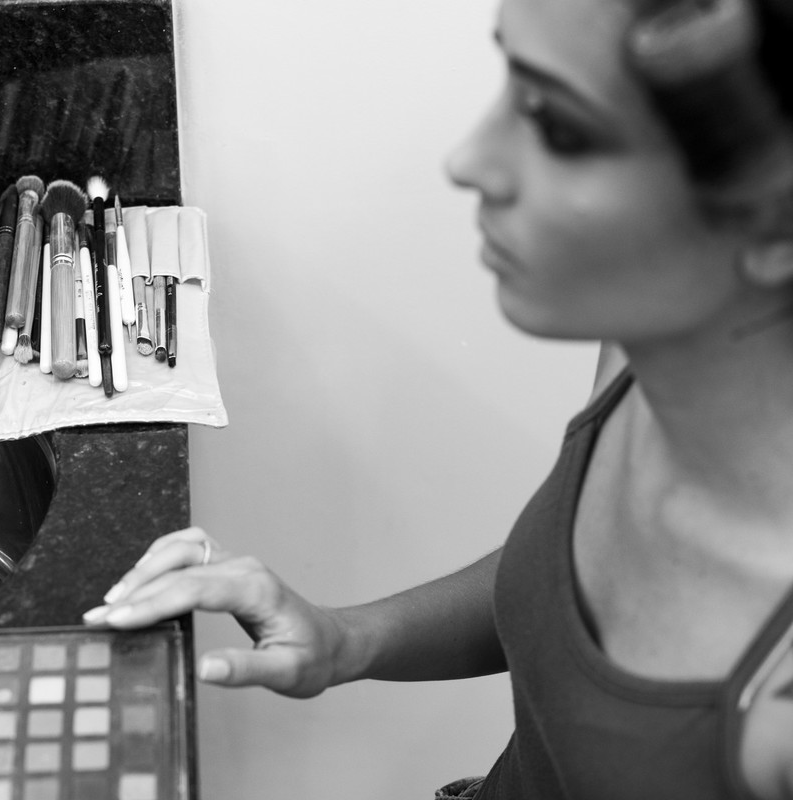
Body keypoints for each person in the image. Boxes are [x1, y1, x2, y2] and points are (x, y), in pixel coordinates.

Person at [82, 0, 793, 797]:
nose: (470, 160)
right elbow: (568, 586)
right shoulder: (648, 344)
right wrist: (345, 641)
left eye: (559, 126)